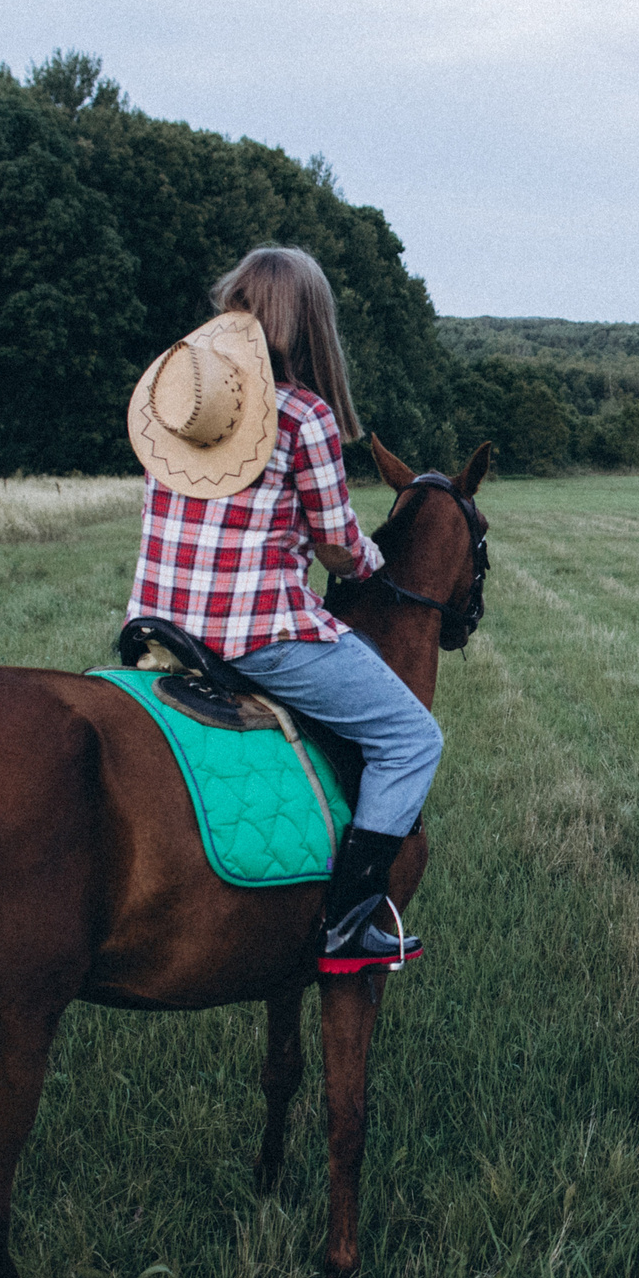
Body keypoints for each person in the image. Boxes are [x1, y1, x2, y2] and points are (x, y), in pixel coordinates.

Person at [125, 246, 440, 973]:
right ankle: (351, 922)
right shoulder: (303, 414)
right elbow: (335, 546)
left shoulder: (182, 400)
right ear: (312, 326)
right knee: (411, 738)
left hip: (157, 622)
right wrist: (370, 558)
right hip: (253, 633)